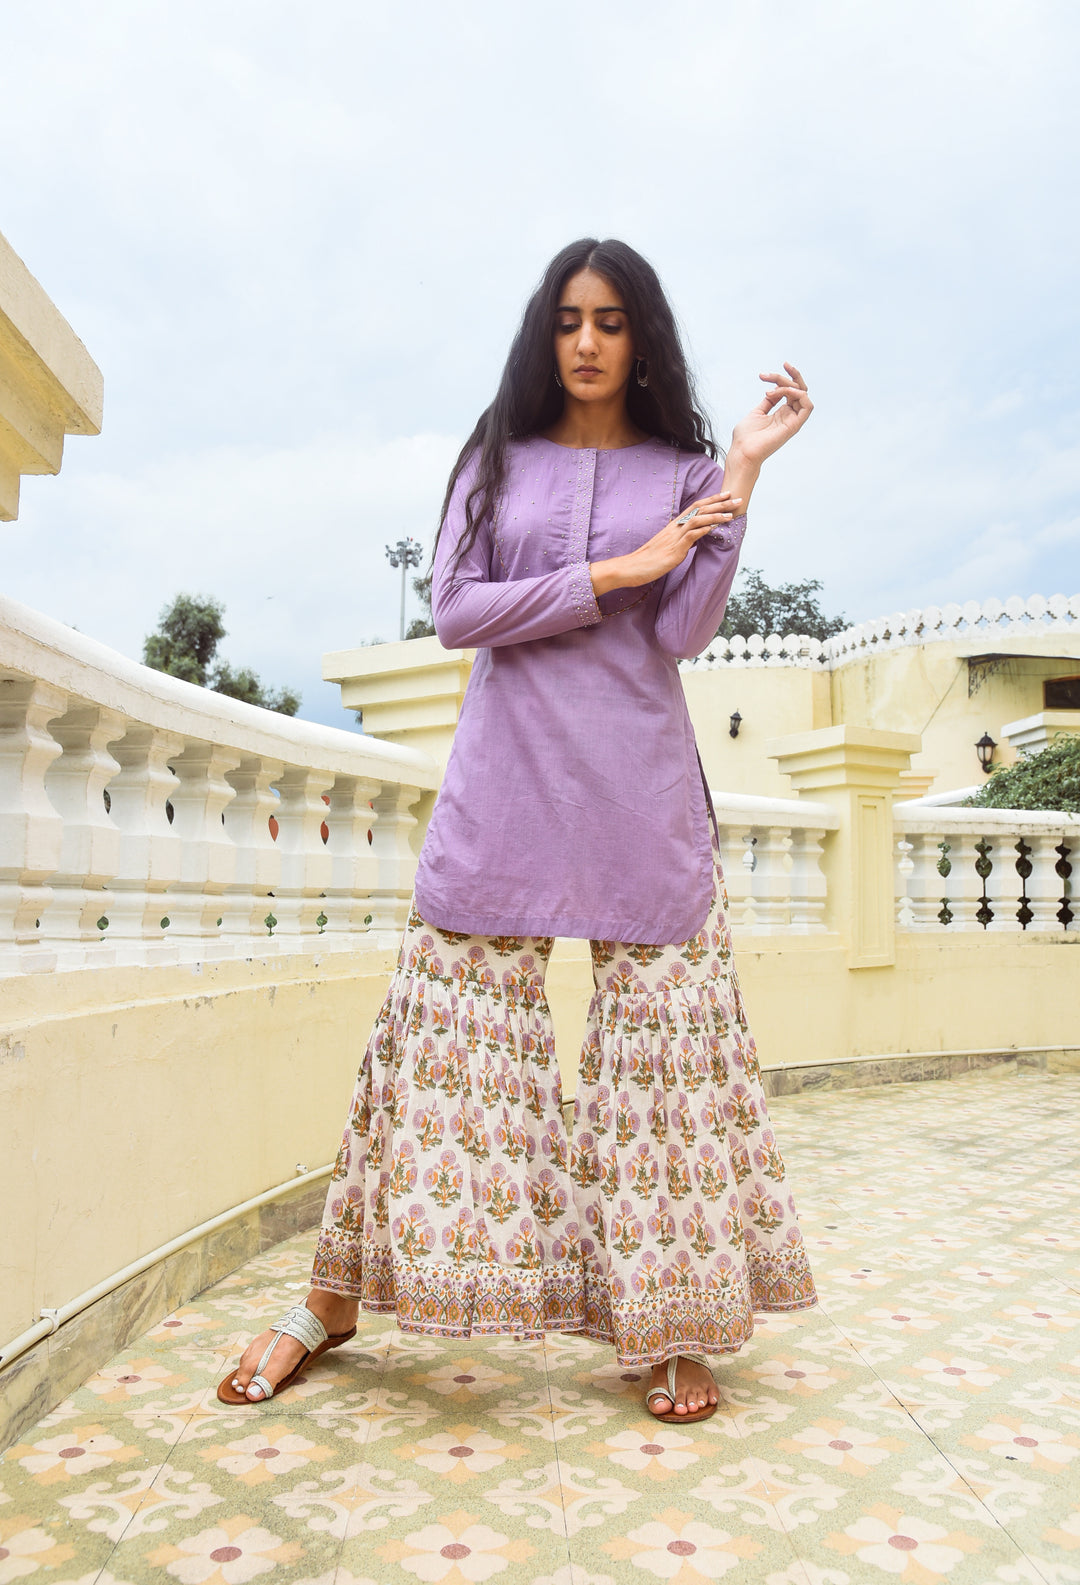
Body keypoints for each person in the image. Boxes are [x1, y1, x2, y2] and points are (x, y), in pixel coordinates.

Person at [219, 237, 817, 1423]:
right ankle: (335, 1297)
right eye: (568, 320)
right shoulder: (494, 458)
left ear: (641, 338)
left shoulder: (689, 470)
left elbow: (684, 631)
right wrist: (615, 571)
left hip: (640, 795)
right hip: (505, 788)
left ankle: (673, 1324)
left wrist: (742, 474)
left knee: (666, 1074)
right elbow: (456, 610)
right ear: (546, 334)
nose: (587, 342)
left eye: (610, 321)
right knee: (430, 1048)